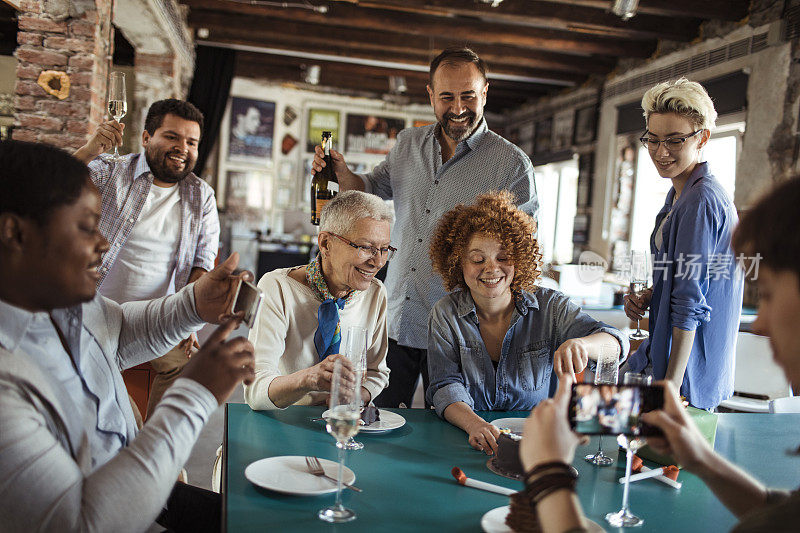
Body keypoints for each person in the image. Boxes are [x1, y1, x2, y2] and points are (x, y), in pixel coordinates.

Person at [519, 177, 800, 533]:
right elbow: (778, 514)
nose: (758, 326)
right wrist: (700, 459)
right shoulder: (679, 199)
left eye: (771, 295)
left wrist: (548, 474)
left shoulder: (700, 201)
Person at [0, 140, 255, 532]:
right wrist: (194, 395)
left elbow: (118, 332)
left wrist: (194, 306)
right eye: (87, 226)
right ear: (14, 233)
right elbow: (83, 524)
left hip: (144, 491)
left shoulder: (64, 302)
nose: (103, 243)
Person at [313, 47, 539, 408]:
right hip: (396, 319)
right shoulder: (406, 145)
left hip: (461, 328)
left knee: (451, 431)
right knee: (376, 421)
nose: (458, 108)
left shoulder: (511, 164)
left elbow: (522, 255)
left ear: (485, 92)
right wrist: (342, 174)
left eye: (468, 95)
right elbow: (371, 188)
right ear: (431, 95)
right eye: (446, 96)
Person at [425, 192, 627, 454]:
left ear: (519, 259)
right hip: (468, 439)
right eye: (477, 259)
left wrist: (581, 344)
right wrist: (476, 425)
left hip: (536, 443)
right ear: (457, 262)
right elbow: (444, 386)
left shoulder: (551, 306)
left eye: (503, 257)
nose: (491, 268)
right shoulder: (445, 314)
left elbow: (615, 343)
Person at [74, 99, 220, 417]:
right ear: (145, 138)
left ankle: (153, 450)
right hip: (94, 313)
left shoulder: (202, 196)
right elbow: (49, 189)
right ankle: (139, 448)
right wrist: (89, 150)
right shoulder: (110, 172)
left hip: (157, 319)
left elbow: (202, 264)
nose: (182, 147)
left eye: (191, 142)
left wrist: (186, 318)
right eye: (172, 136)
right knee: (126, 417)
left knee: (189, 373)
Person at [623, 78, 742, 410]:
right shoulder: (681, 193)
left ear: (702, 137)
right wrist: (652, 294)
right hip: (671, 355)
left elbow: (690, 299)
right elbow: (683, 274)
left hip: (687, 372)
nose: (662, 152)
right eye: (654, 140)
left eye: (675, 141)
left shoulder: (700, 201)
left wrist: (670, 389)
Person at [245, 191, 391, 410]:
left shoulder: (375, 293)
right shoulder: (277, 287)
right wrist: (308, 379)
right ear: (325, 243)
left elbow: (376, 372)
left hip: (342, 422)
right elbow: (255, 391)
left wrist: (357, 396)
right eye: (366, 248)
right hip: (284, 421)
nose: (378, 262)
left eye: (385, 249)